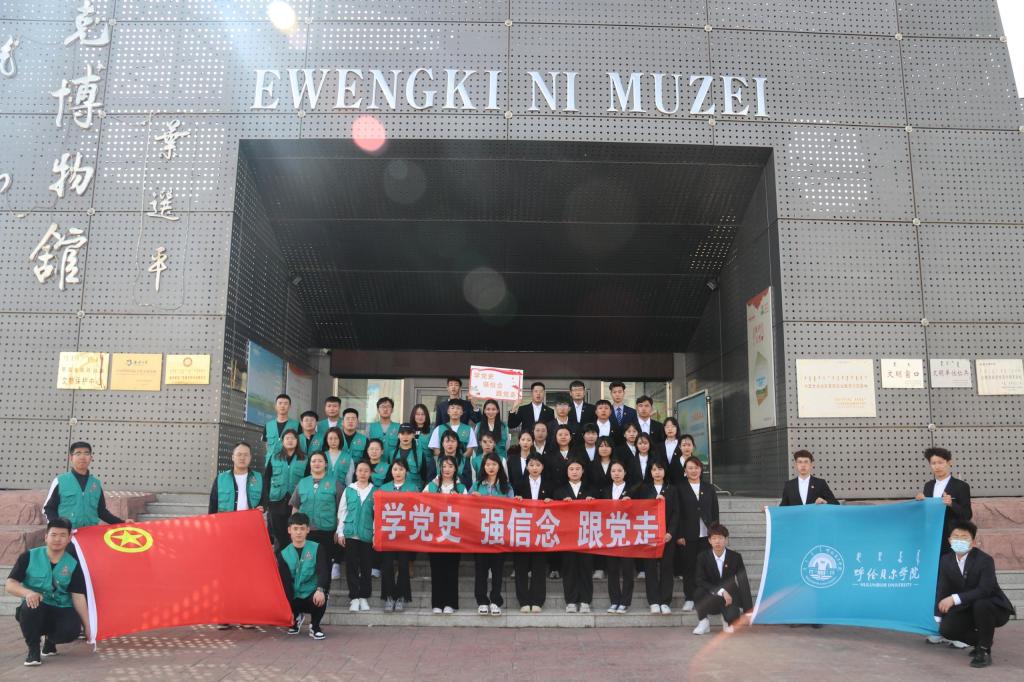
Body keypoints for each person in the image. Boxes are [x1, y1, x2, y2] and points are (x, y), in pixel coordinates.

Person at [933, 521, 1016, 668]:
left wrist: (954, 599)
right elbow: (942, 587)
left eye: (964, 537)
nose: (959, 540)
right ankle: (983, 641)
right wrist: (938, 614)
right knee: (947, 629)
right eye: (956, 537)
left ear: (973, 542)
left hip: (993, 608)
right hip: (967, 608)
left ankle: (984, 651)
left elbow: (985, 589)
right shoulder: (946, 560)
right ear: (949, 540)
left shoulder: (985, 560)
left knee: (981, 603)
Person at [6, 518, 88, 666]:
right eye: (53, 535)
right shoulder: (28, 557)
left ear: (69, 538)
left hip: (61, 607)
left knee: (71, 631)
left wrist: (88, 627)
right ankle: (33, 650)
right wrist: (27, 593)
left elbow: (78, 596)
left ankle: (50, 640)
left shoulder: (73, 564)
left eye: (62, 535)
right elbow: (10, 584)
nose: (57, 539)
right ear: (46, 536)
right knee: (30, 607)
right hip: (37, 606)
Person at [43, 442, 128, 529]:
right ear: (71, 458)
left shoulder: (95, 484)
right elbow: (48, 509)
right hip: (68, 533)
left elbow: (101, 512)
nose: (82, 457)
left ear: (91, 458)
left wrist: (123, 522)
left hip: (89, 533)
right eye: (78, 453)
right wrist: (58, 528)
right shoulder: (60, 481)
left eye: (86, 453)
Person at [276, 512, 330, 640]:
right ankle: (295, 618)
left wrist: (320, 589)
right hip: (294, 595)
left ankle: (315, 626)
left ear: (308, 530)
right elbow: (285, 581)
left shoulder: (317, 548)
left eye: (302, 528)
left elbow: (323, 571)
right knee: (283, 596)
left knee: (321, 596)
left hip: (311, 594)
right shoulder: (283, 554)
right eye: (295, 529)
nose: (299, 532)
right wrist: (286, 604)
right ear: (289, 530)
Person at [290, 452, 343, 582]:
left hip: (327, 531)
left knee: (325, 564)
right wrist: (293, 527)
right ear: (310, 464)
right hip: (305, 531)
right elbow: (295, 507)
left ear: (326, 464)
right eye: (313, 461)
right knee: (306, 564)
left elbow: (341, 510)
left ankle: (324, 591)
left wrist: (339, 530)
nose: (316, 464)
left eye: (320, 461)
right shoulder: (303, 483)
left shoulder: (335, 483)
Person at [470, 452, 512, 615]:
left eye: (494, 464)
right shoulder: (476, 485)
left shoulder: (506, 487)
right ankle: (481, 601)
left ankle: (495, 600)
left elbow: (512, 509)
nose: (491, 467)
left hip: (499, 534)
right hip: (480, 535)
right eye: (488, 464)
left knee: (497, 570)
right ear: (484, 467)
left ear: (499, 466)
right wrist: (473, 498)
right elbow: (466, 507)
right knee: (480, 570)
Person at [553, 459, 597, 613]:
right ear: (567, 472)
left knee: (586, 568)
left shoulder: (591, 490)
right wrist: (561, 503)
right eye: (571, 469)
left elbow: (599, 511)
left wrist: (593, 503)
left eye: (578, 468)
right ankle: (571, 601)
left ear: (583, 471)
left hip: (586, 535)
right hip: (567, 536)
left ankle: (585, 601)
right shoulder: (559, 491)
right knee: (569, 568)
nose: (574, 471)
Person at [692, 523, 752, 635]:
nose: (717, 541)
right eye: (714, 538)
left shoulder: (735, 557)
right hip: (711, 596)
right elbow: (700, 580)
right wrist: (721, 591)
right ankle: (703, 622)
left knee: (732, 616)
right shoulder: (703, 557)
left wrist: (748, 610)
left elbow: (743, 582)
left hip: (730, 598)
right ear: (709, 540)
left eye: (720, 538)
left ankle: (727, 620)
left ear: (726, 539)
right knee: (698, 592)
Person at [424, 454, 466, 614]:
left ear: (456, 469)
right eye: (444, 466)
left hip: (454, 536)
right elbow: (420, 504)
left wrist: (460, 500)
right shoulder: (431, 486)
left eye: (450, 466)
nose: (447, 469)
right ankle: (437, 603)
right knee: (436, 569)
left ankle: (450, 603)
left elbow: (469, 511)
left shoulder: (461, 488)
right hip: (435, 535)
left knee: (451, 570)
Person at [636, 457, 679, 614]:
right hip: (649, 535)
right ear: (650, 472)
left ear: (665, 471)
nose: (657, 472)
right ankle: (653, 601)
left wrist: (670, 533)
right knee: (650, 568)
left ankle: (665, 601)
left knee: (667, 568)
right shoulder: (644, 489)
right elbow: (637, 509)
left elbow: (676, 513)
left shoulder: (672, 489)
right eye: (654, 469)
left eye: (660, 469)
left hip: (667, 536)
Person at [678, 455, 719, 611]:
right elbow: (677, 513)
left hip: (707, 535)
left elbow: (714, 511)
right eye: (690, 468)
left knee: (706, 567)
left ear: (701, 469)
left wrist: (715, 533)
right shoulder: (680, 488)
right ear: (685, 470)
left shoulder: (709, 488)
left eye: (696, 467)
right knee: (689, 567)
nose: (693, 471)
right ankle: (689, 598)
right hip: (688, 535)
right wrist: (679, 534)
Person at [512, 453, 552, 612]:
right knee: (521, 566)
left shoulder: (549, 484)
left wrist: (551, 502)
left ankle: (537, 600)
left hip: (541, 529)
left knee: (539, 566)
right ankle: (523, 601)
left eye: (538, 465)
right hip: (523, 528)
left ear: (543, 467)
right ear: (527, 467)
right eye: (531, 465)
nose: (534, 468)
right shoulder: (519, 484)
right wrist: (516, 500)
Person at [378, 459, 418, 612]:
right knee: (387, 566)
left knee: (403, 566)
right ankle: (388, 597)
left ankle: (401, 596)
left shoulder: (413, 488)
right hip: (387, 533)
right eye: (395, 469)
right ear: (391, 471)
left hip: (405, 534)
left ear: (406, 471)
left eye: (401, 469)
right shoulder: (383, 488)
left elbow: (417, 509)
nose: (398, 472)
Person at [915, 447, 972, 555]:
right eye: (933, 463)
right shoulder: (928, 486)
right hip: (932, 535)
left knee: (952, 564)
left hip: (952, 536)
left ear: (949, 462)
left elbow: (967, 515)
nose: (937, 466)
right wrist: (920, 502)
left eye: (941, 462)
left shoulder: (961, 486)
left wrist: (951, 504)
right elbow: (925, 514)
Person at [336, 459, 375, 612]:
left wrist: (375, 533)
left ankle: (364, 596)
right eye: (360, 470)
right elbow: (342, 512)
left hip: (367, 534)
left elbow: (377, 516)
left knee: (366, 566)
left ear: (370, 473)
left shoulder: (375, 491)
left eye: (366, 471)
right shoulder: (349, 490)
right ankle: (354, 597)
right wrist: (340, 532)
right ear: (355, 472)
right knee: (351, 566)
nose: (363, 473)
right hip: (350, 533)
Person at [263, 429, 309, 550]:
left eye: (293, 438)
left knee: (295, 534)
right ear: (282, 441)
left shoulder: (304, 459)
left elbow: (308, 481)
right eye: (287, 438)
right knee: (278, 535)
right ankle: (280, 558)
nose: (290, 441)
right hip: (276, 501)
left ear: (297, 441)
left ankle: (292, 557)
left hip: (296, 503)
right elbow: (266, 478)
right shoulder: (274, 458)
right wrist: (266, 501)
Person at [602, 460, 634, 613]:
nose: (616, 474)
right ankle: (614, 601)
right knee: (612, 569)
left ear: (625, 472)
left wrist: (631, 502)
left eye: (619, 470)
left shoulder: (633, 490)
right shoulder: (605, 490)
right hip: (610, 535)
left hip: (628, 534)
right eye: (613, 471)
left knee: (627, 570)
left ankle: (625, 602)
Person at [208, 441, 265, 514]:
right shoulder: (221, 479)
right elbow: (213, 505)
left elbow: (265, 499)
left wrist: (263, 507)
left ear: (250, 457)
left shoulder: (259, 478)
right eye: (239, 454)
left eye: (246, 455)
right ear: (233, 457)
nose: (242, 458)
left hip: (250, 519)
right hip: (227, 520)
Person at [263, 393, 299, 463]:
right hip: (270, 463)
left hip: (289, 462)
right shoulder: (268, 425)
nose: (282, 406)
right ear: (275, 406)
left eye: (285, 403)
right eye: (280, 403)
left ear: (290, 407)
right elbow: (267, 445)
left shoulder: (297, 425)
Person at [392, 423, 428, 491]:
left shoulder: (420, 454)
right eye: (402, 434)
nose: (405, 437)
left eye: (408, 434)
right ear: (398, 435)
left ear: (413, 435)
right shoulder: (392, 454)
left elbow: (424, 477)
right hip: (396, 492)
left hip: (415, 492)